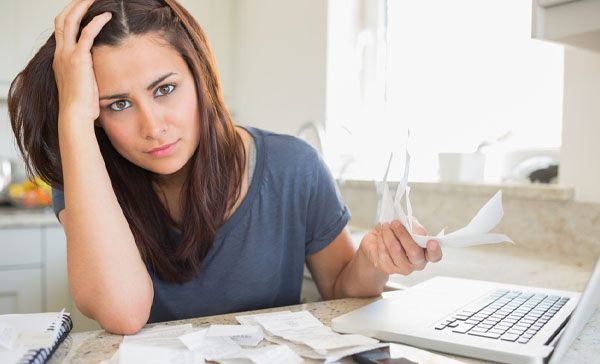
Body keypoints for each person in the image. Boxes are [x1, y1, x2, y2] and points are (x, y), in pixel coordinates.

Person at [8, 0, 442, 335]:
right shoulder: (87, 180)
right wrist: (73, 117)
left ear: (201, 78)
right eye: (117, 105)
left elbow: (341, 292)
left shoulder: (294, 168)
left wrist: (373, 261)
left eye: (165, 89)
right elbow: (123, 312)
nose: (153, 127)